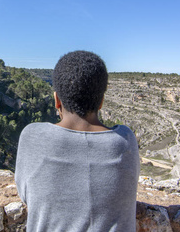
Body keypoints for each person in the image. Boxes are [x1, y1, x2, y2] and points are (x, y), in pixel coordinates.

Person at [15, 50, 140, 232]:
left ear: (57, 100)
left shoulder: (32, 136)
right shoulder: (125, 140)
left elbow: (26, 195)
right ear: (101, 101)